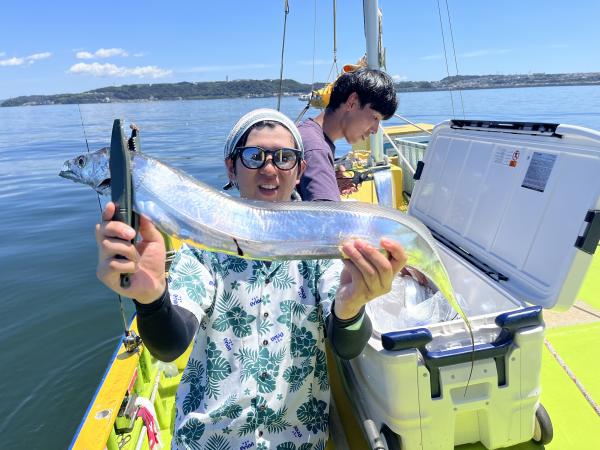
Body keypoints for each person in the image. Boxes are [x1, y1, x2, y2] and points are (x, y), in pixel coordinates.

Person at [96, 109, 407, 449]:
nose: (270, 169)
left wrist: (350, 307)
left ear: (300, 170)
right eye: (254, 156)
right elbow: (170, 345)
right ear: (231, 167)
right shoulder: (205, 244)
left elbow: (347, 345)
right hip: (208, 440)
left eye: (285, 158)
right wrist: (151, 299)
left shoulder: (320, 244)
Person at [298, 68, 398, 201]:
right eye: (375, 117)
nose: (375, 130)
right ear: (352, 102)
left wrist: (329, 185)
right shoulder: (316, 149)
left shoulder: (309, 134)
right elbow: (326, 213)